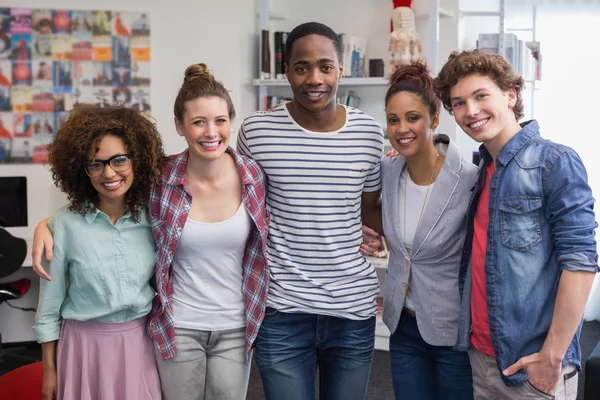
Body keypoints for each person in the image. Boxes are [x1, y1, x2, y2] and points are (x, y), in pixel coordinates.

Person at [32, 63, 270, 400]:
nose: (211, 131)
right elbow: (104, 197)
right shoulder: (163, 182)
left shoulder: (253, 177)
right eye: (198, 122)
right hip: (176, 325)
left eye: (220, 120)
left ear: (231, 121)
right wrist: (47, 225)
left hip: (232, 324)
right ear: (180, 126)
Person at [433, 49, 599, 400]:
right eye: (459, 103)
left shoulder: (554, 162)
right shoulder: (483, 169)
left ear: (510, 95)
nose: (471, 111)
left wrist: (551, 357)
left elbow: (582, 264)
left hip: (533, 365)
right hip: (481, 356)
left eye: (481, 96)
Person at [236, 21, 383, 400]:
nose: (314, 78)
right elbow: (233, 203)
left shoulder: (368, 133)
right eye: (302, 67)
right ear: (286, 71)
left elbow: (371, 211)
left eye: (325, 66)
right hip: (282, 309)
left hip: (352, 308)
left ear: (340, 69)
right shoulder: (256, 131)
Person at [31, 104, 165, 400]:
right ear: (83, 171)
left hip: (139, 345)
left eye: (119, 160)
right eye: (96, 164)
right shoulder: (64, 224)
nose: (109, 172)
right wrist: (49, 369)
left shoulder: (154, 218)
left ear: (137, 160)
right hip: (83, 348)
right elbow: (49, 307)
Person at [361, 61, 476, 399]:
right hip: (403, 326)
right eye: (393, 120)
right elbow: (374, 215)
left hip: (451, 331)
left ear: (434, 119)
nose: (401, 129)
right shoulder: (388, 170)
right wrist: (369, 234)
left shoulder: (468, 179)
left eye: (412, 118)